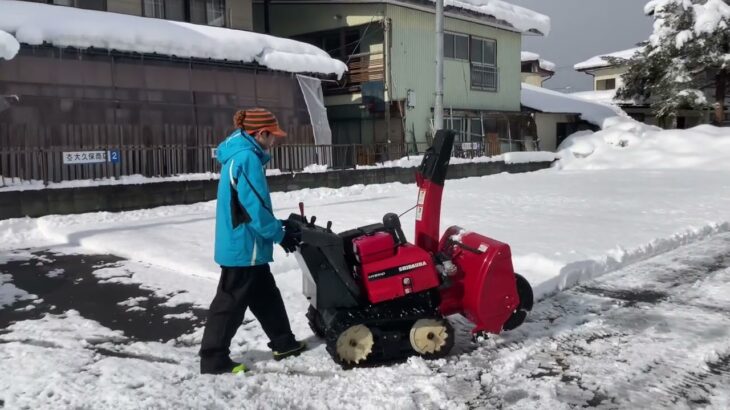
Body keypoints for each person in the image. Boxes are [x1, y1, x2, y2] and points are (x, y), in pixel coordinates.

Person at [199, 108, 305, 375]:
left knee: (266, 296)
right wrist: (279, 234)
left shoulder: (240, 155)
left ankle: (284, 343)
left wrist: (278, 225)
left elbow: (250, 206)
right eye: (273, 136)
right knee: (229, 305)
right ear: (261, 133)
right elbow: (254, 207)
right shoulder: (247, 158)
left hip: (247, 243)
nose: (275, 141)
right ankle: (213, 359)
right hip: (243, 246)